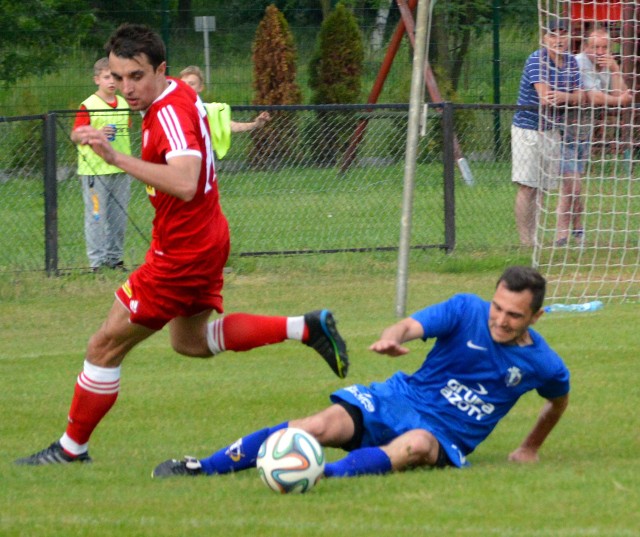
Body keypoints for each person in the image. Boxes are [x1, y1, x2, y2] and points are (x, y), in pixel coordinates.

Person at [15, 23, 348, 467]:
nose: (127, 88)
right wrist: (86, 134)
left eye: (137, 76)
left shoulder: (168, 111)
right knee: (191, 342)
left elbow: (186, 181)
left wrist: (117, 158)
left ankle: (71, 449)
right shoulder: (175, 95)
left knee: (104, 346)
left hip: (182, 251)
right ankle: (304, 327)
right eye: (118, 77)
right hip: (205, 238)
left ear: (161, 70)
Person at [152, 265, 570, 479]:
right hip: (400, 396)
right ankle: (203, 467)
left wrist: (530, 446)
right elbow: (409, 325)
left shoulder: (544, 364)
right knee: (313, 426)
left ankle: (318, 475)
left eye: (513, 315)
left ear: (536, 316)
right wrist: (391, 337)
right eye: (497, 307)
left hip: (444, 434)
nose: (499, 319)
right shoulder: (465, 309)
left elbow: (558, 399)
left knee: (415, 446)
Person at [554, 28, 634, 246]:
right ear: (585, 48)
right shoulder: (578, 63)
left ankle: (576, 230)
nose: (600, 52)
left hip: (584, 132)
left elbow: (623, 94)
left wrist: (616, 70)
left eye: (604, 47)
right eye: (595, 47)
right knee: (573, 184)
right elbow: (596, 97)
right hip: (563, 129)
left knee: (574, 184)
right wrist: (619, 101)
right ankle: (563, 234)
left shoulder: (606, 66)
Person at [512, 18, 585, 247]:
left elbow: (580, 95)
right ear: (544, 38)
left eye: (563, 34)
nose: (558, 40)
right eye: (553, 35)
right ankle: (526, 241)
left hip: (553, 131)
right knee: (528, 186)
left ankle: (536, 239)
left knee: (542, 187)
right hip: (528, 129)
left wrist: (566, 97)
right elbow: (546, 97)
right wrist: (567, 97)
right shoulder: (536, 60)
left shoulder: (572, 62)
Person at [70, 57, 132, 271]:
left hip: (120, 170)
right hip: (95, 172)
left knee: (119, 217)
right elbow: (75, 135)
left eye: (115, 77)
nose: (111, 82)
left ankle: (114, 259)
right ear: (97, 79)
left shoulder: (124, 103)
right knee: (97, 217)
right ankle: (96, 263)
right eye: (107, 77)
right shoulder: (89, 105)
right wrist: (95, 134)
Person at [179, 65, 271, 160]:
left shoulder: (208, 110)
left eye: (191, 84)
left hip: (200, 160)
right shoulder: (169, 108)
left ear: (200, 87)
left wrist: (256, 124)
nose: (186, 87)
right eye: (183, 84)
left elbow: (232, 126)